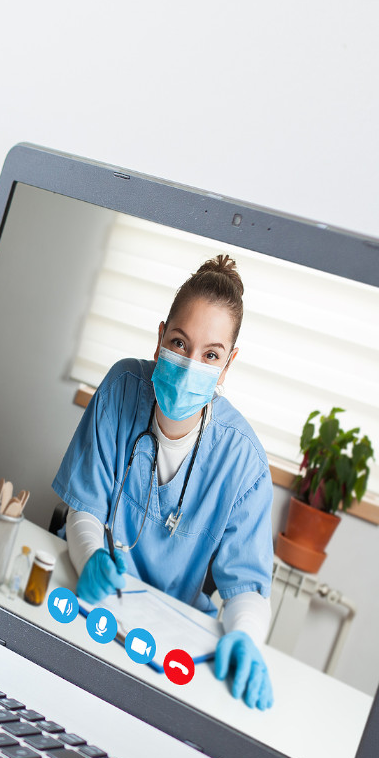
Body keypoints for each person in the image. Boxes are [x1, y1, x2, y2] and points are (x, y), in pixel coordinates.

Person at [51, 256, 276, 709]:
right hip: (88, 602)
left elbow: (245, 587)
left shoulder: (243, 463)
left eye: (210, 355)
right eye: (179, 343)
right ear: (159, 339)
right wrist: (91, 555)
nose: (191, 365)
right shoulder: (121, 388)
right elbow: (86, 509)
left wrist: (247, 636)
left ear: (227, 365)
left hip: (162, 641)